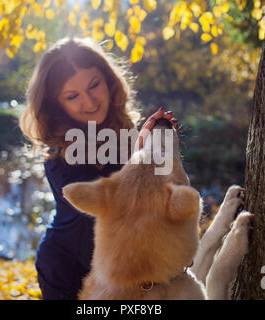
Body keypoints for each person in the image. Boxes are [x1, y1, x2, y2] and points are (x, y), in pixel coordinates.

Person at [19, 37, 178, 300]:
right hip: (67, 270)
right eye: (72, 96)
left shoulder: (121, 130)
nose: (90, 101)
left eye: (94, 85)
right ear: (56, 104)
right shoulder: (60, 153)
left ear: (108, 80)